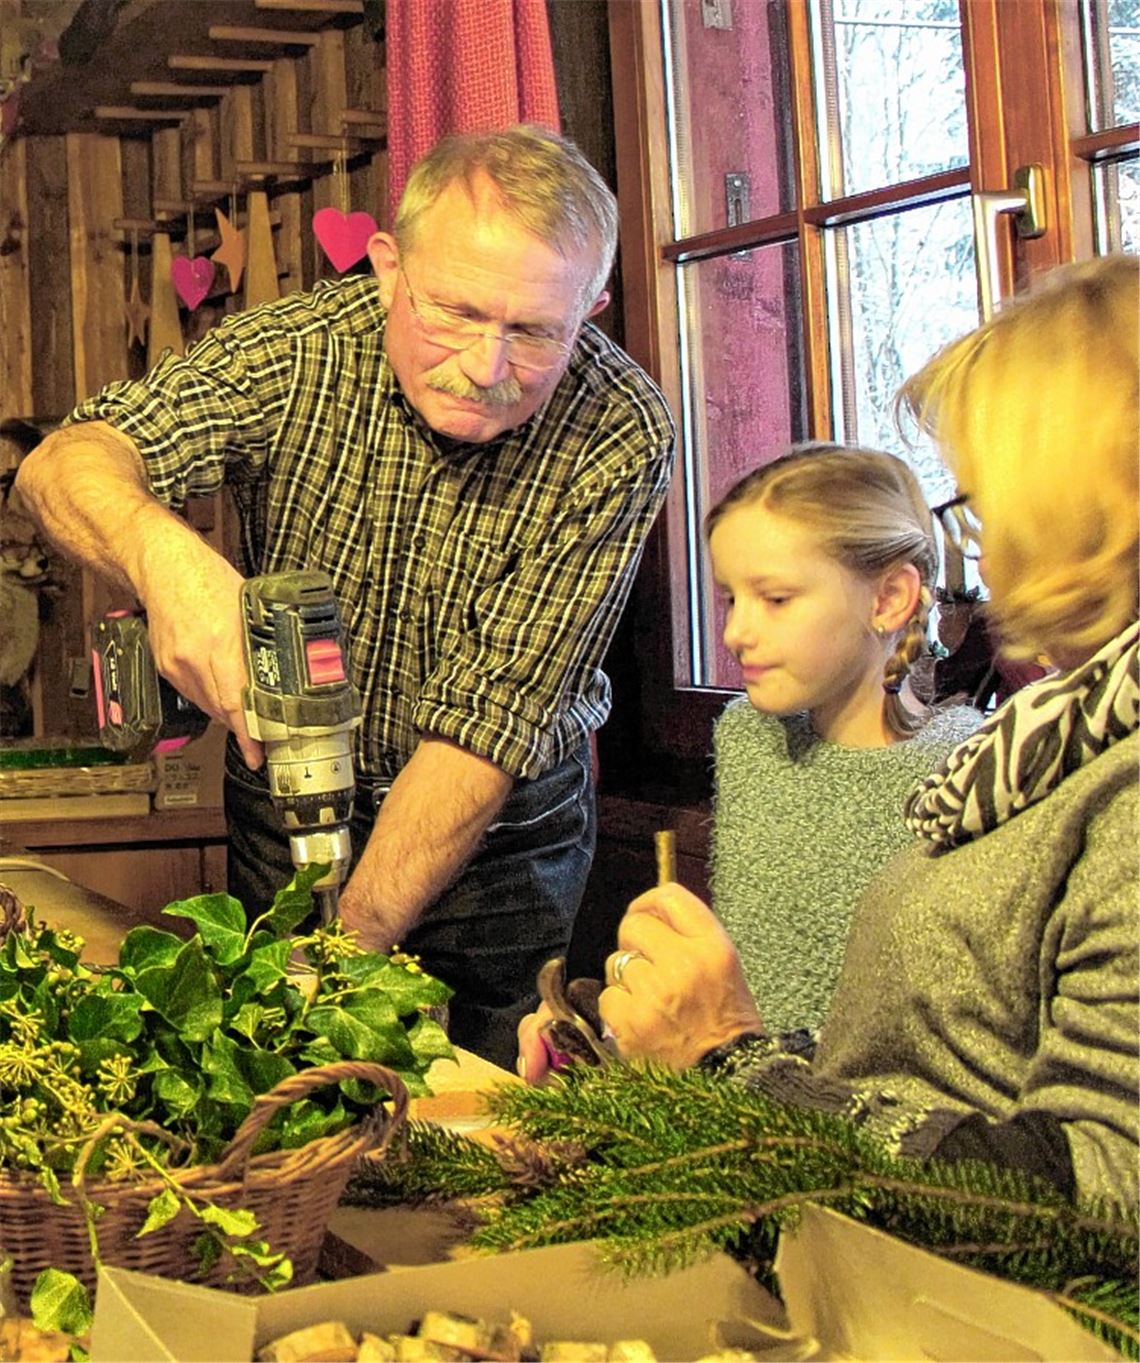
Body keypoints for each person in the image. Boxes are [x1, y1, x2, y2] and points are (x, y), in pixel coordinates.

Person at [13, 124, 676, 1069]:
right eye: (453, 311)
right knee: (283, 1101)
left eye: (535, 331)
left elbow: (485, 731)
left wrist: (342, 955)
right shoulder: (293, 354)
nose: (487, 368)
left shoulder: (621, 428)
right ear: (388, 267)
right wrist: (167, 561)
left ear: (592, 307)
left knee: (489, 1112)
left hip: (504, 835)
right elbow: (62, 465)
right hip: (286, 802)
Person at [576, 254, 1139, 1209]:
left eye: (991, 501)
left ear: (1093, 507)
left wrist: (730, 1060)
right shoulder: (1050, 743)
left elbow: (1098, 1201)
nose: (984, 544)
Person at [706, 444, 979, 1032]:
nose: (735, 632)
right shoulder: (748, 741)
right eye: (731, 598)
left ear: (888, 599)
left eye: (775, 599)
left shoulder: (972, 773)